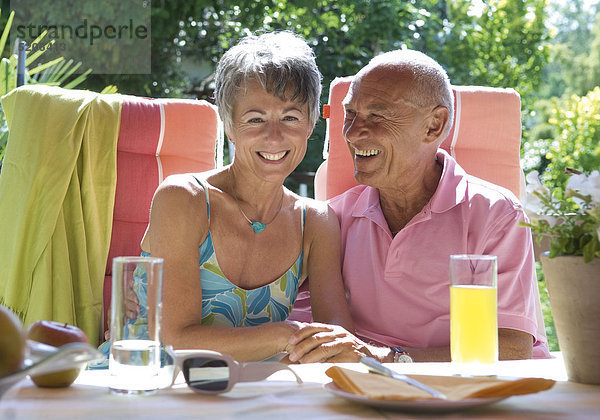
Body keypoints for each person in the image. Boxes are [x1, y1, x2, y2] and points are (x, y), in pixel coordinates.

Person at [286, 49, 550, 363]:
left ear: (433, 126)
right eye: (351, 114)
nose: (353, 133)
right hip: (367, 390)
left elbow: (510, 347)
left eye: (377, 116)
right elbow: (300, 326)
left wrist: (388, 358)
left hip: (469, 394)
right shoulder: (333, 219)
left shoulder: (495, 214)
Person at [106, 31, 353, 363]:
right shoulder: (185, 199)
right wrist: (286, 335)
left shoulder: (317, 222)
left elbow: (338, 341)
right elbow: (178, 340)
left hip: (249, 393)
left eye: (290, 117)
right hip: (146, 385)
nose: (274, 136)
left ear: (310, 124)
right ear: (229, 125)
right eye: (255, 119)